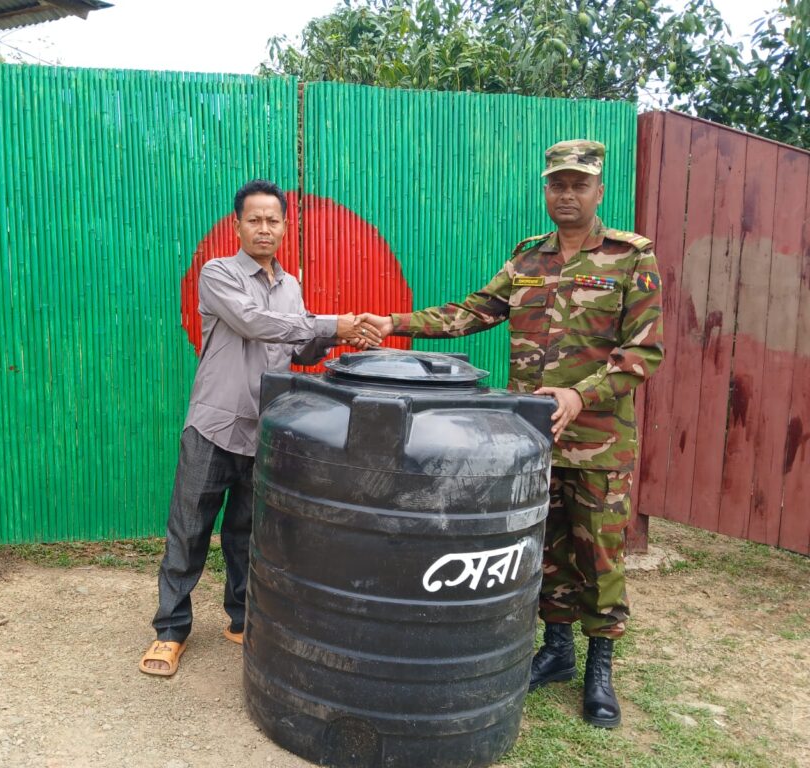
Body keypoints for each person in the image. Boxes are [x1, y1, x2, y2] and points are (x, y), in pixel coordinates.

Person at [358, 140, 663, 728]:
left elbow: (643, 352)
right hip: (533, 439)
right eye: (557, 184)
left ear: (600, 190)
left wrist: (581, 394)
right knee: (543, 547)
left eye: (579, 184)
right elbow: (471, 312)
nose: (567, 194)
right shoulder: (527, 259)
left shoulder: (631, 257)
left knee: (599, 555)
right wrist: (396, 323)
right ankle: (557, 651)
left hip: (600, 442)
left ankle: (600, 667)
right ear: (546, 190)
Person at [139, 179, 381, 677]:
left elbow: (296, 345)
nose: (264, 228)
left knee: (248, 533)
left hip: (266, 428)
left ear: (285, 227)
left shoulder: (289, 285)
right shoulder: (218, 273)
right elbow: (255, 323)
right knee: (189, 529)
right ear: (238, 225)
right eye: (255, 219)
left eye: (273, 220)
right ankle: (170, 630)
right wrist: (330, 324)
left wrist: (343, 337)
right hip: (215, 424)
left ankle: (241, 617)